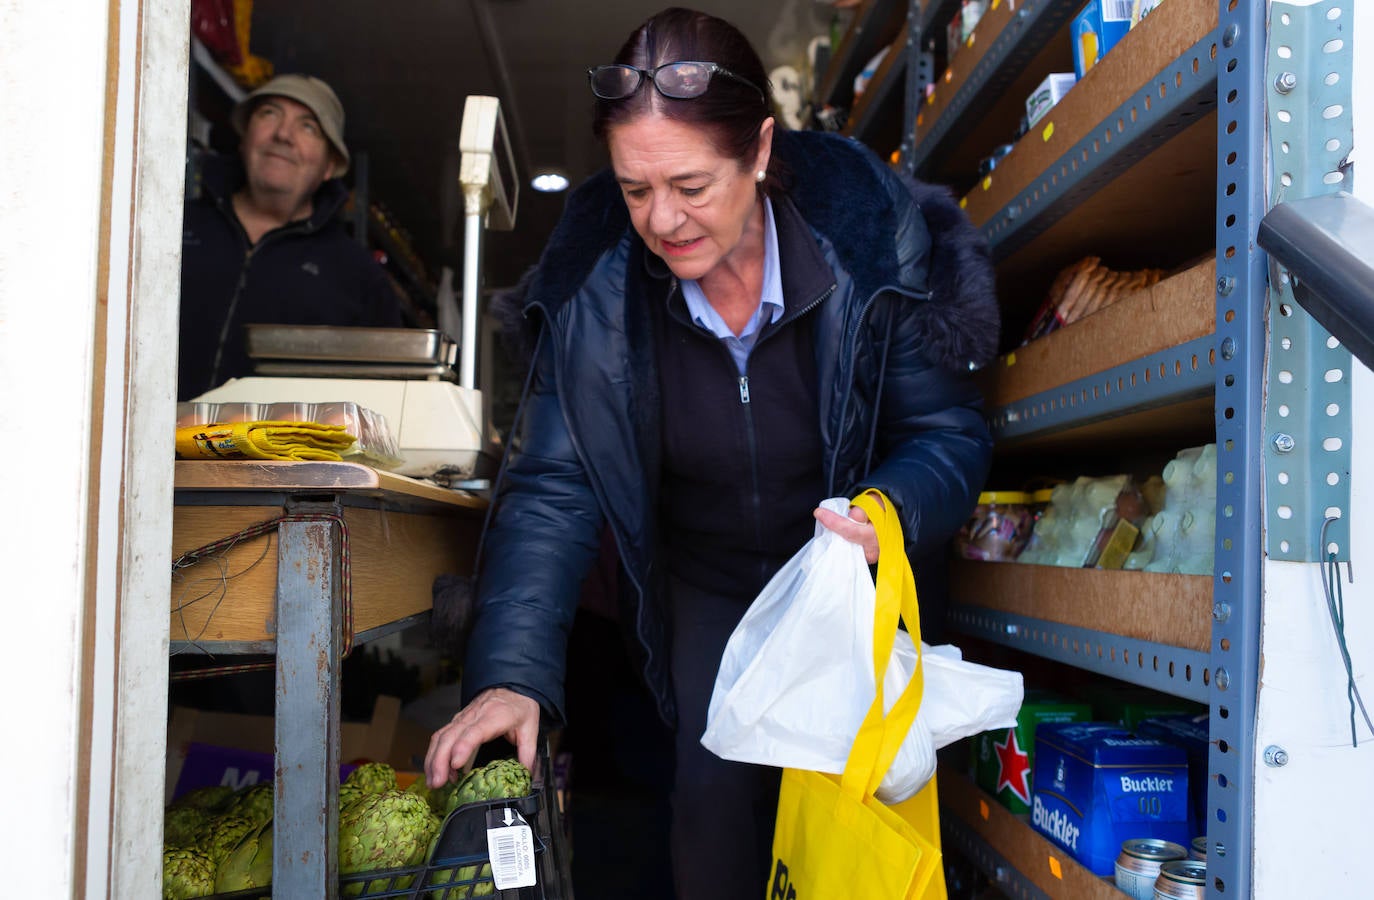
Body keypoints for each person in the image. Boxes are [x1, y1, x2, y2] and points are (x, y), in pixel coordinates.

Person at [425, 7, 999, 898]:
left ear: (761, 152)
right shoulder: (595, 287)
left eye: (691, 185)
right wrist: (511, 676)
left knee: (854, 829)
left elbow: (946, 432)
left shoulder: (867, 241)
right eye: (634, 189)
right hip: (708, 586)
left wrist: (887, 512)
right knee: (714, 817)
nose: (663, 219)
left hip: (843, 574)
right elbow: (549, 488)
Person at [177, 73, 403, 401]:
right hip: (133, 442)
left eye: (308, 126)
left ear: (330, 165)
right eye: (269, 113)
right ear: (244, 138)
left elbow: (383, 402)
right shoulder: (172, 226)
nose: (283, 134)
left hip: (275, 454)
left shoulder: (358, 278)